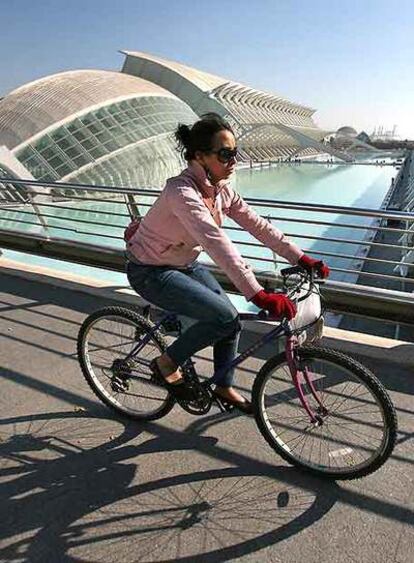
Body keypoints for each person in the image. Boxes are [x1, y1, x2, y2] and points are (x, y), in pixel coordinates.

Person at [126, 113, 329, 414]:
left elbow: (258, 225)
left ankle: (223, 385)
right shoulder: (181, 193)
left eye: (236, 152)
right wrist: (258, 294)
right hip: (149, 270)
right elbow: (214, 241)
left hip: (182, 263)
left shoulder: (220, 191)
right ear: (200, 157)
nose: (234, 160)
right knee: (222, 317)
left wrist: (299, 257)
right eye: (225, 154)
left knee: (230, 321)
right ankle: (166, 363)